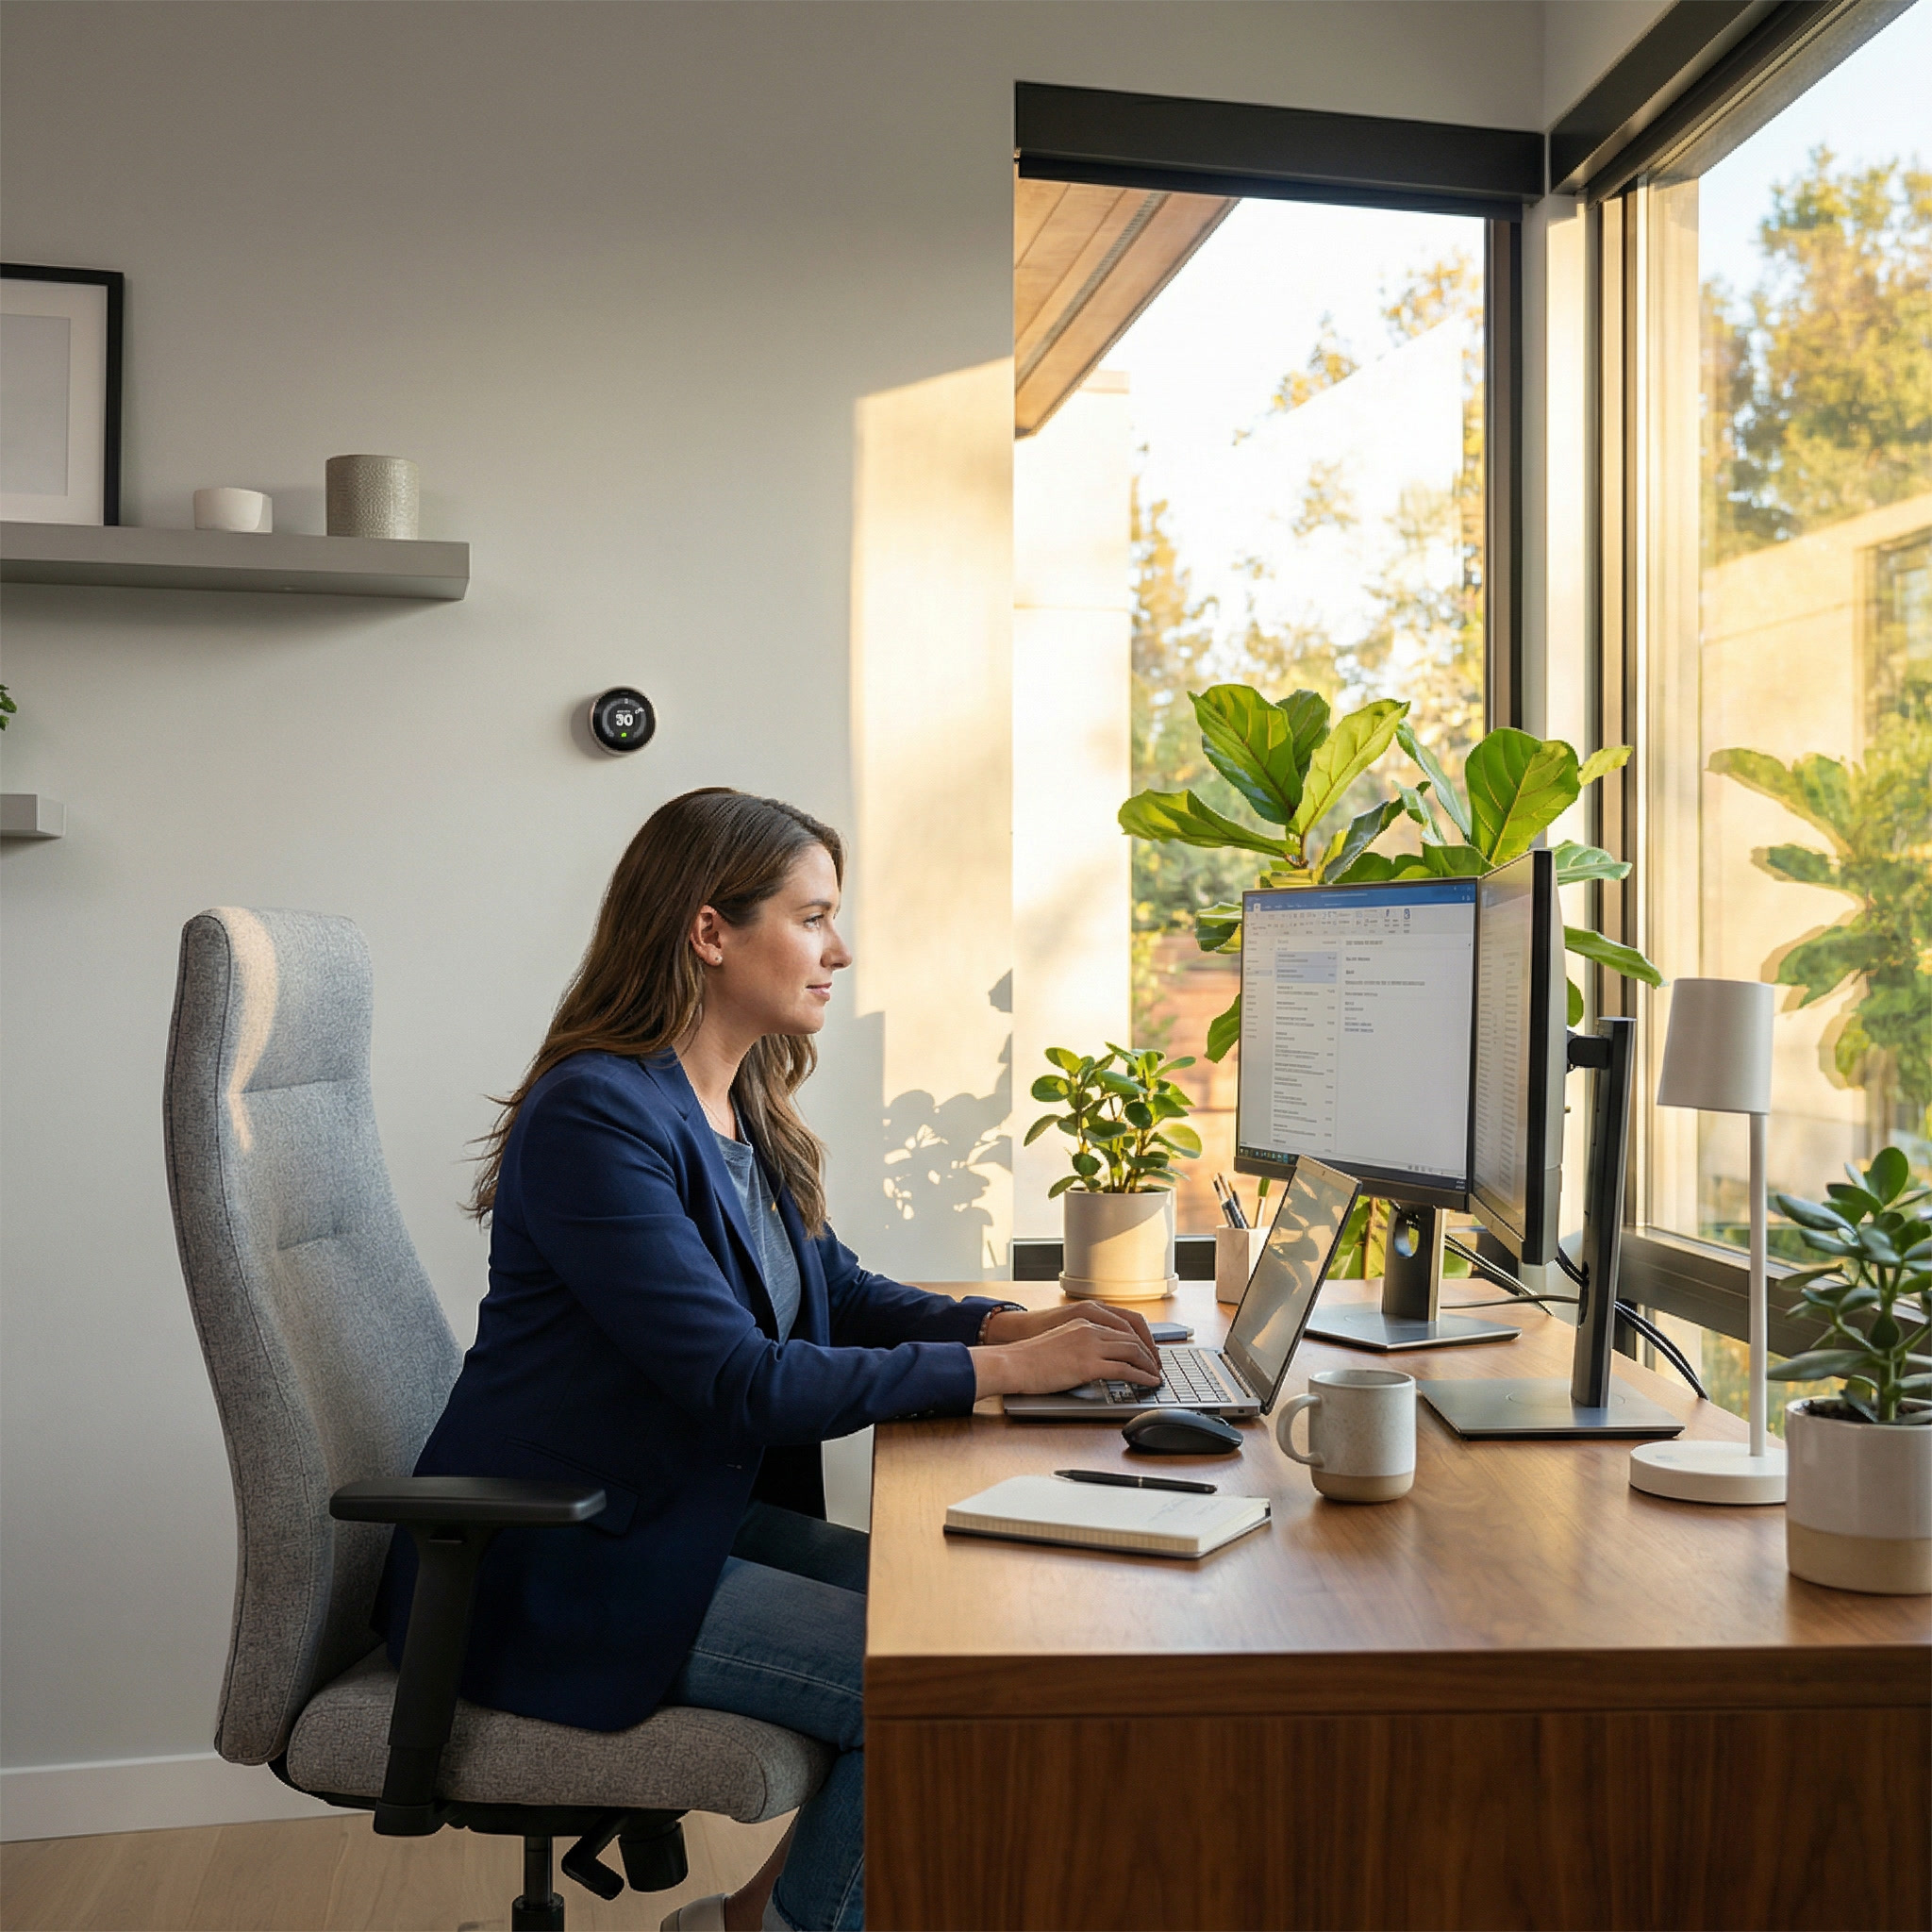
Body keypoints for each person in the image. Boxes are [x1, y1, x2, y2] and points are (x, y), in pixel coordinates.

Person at [376, 787, 1161, 1932]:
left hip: (678, 1517)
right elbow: (743, 1377)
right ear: (709, 931)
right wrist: (1002, 1378)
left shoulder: (731, 1099)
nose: (838, 950)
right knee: (954, 1687)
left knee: (990, 1619)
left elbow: (829, 1291)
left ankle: (750, 1919)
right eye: (812, 916)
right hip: (564, 1562)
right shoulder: (597, 1116)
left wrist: (1005, 1327)